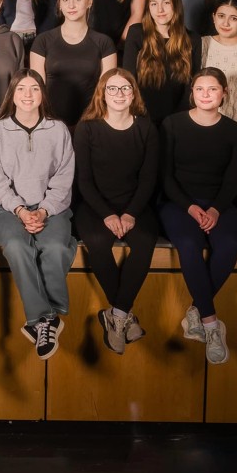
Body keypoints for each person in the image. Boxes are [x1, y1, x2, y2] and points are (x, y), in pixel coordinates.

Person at [159, 68, 237, 365]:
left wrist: (214, 209)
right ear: (192, 93)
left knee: (230, 242)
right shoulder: (172, 125)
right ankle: (211, 324)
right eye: (200, 89)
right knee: (188, 244)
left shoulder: (235, 131)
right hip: (179, 203)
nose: (206, 94)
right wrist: (191, 207)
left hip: (220, 203)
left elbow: (232, 179)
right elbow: (166, 176)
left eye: (213, 89)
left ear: (224, 93)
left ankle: (197, 310)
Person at [0, 69, 75, 359]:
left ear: (42, 94)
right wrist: (22, 211)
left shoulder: (58, 129)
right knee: (15, 246)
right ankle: (45, 317)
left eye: (34, 89)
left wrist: (45, 209)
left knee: (56, 246)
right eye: (21, 89)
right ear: (12, 94)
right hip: (9, 208)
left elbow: (64, 177)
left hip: (52, 207)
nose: (27, 95)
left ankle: (41, 318)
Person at [73, 69, 160, 354]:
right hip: (96, 205)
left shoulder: (146, 127)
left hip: (135, 205)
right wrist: (108, 214)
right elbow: (83, 180)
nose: (119, 94)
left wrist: (131, 213)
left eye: (125, 89)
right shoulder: (87, 128)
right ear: (102, 93)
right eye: (112, 89)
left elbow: (149, 177)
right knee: (98, 243)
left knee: (145, 243)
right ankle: (125, 316)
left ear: (134, 94)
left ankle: (117, 315)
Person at [29, 0, 117, 128]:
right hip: (51, 123)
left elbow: (106, 91)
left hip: (92, 122)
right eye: (65, 0)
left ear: (89, 2)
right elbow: (37, 89)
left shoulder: (104, 43)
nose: (71, 5)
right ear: (59, 5)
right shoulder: (43, 41)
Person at [121, 0, 202, 126]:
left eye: (166, 2)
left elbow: (191, 86)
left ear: (176, 4)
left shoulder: (193, 39)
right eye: (154, 4)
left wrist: (177, 121)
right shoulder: (136, 33)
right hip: (140, 117)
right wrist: (138, 115)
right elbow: (128, 79)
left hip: (178, 119)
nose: (160, 10)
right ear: (148, 8)